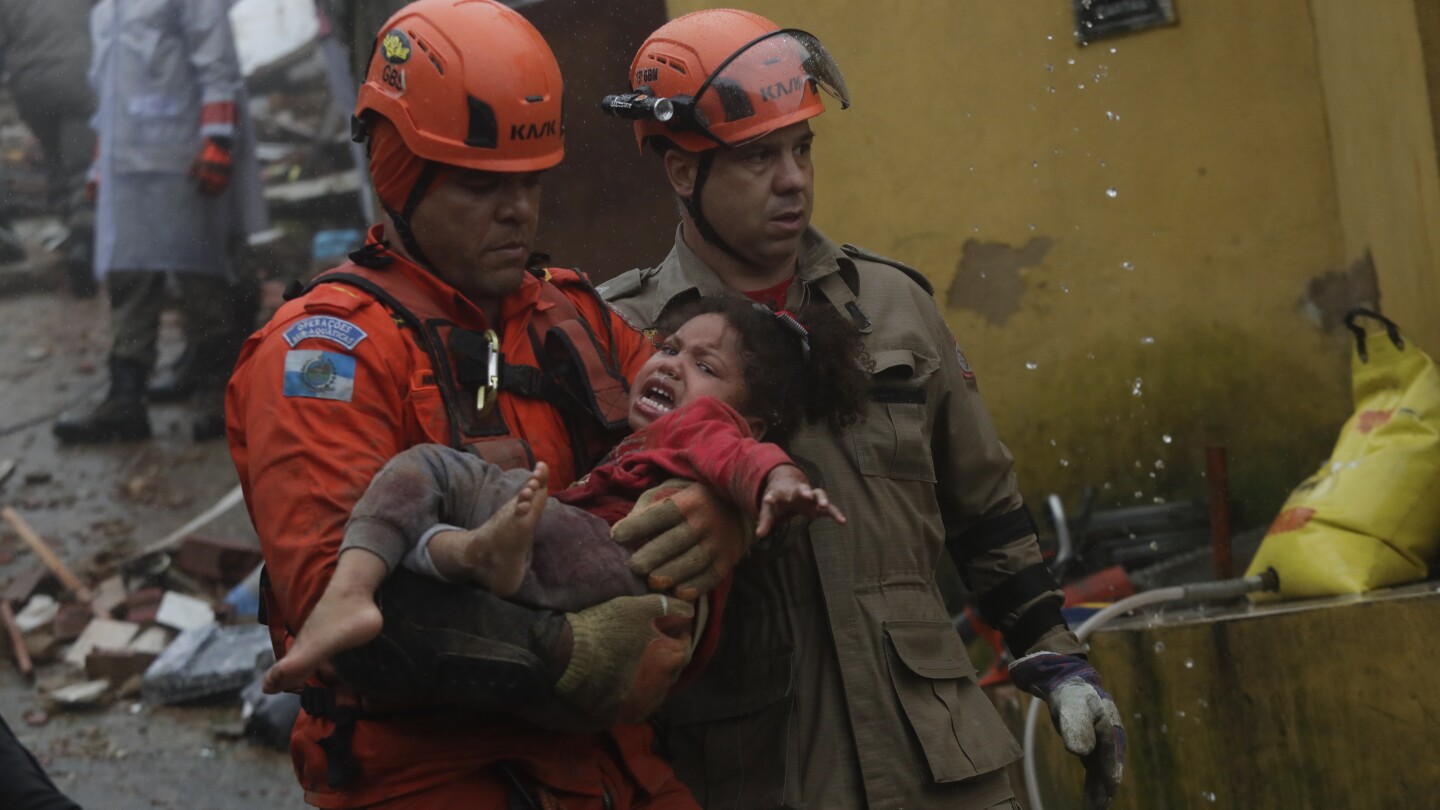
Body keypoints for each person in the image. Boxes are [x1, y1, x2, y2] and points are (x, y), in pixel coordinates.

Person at [597, 10, 1126, 810]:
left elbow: (987, 513)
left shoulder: (893, 306)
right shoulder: (623, 338)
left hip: (943, 768)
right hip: (754, 772)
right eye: (758, 156)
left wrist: (1054, 660)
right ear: (681, 171)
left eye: (802, 148)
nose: (794, 179)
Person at [227, 2, 748, 806]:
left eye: (531, 183)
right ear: (401, 173)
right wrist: (567, 651)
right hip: (435, 779)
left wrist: (722, 517)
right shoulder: (325, 353)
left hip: (618, 768)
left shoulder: (573, 317)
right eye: (482, 186)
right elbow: (341, 605)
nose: (519, 211)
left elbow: (714, 437)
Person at [263, 297, 869, 698]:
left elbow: (742, 453)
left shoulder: (696, 425)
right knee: (430, 546)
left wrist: (772, 486)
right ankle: (478, 554)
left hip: (602, 560)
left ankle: (362, 591)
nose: (672, 364)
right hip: (604, 609)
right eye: (666, 347)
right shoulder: (352, 320)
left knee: (430, 473)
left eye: (704, 365)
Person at [53, 0, 268, 445]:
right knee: (129, 274)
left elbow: (216, 64)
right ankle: (125, 399)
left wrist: (218, 139)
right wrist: (100, 166)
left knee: (202, 276)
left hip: (181, 154)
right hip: (129, 163)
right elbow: (106, 92)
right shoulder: (106, 11)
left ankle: (219, 394)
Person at [0, 0, 98, 297]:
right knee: (81, 165)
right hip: (77, 73)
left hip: (29, 82)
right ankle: (83, 242)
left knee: (56, 161)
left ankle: (69, 232)